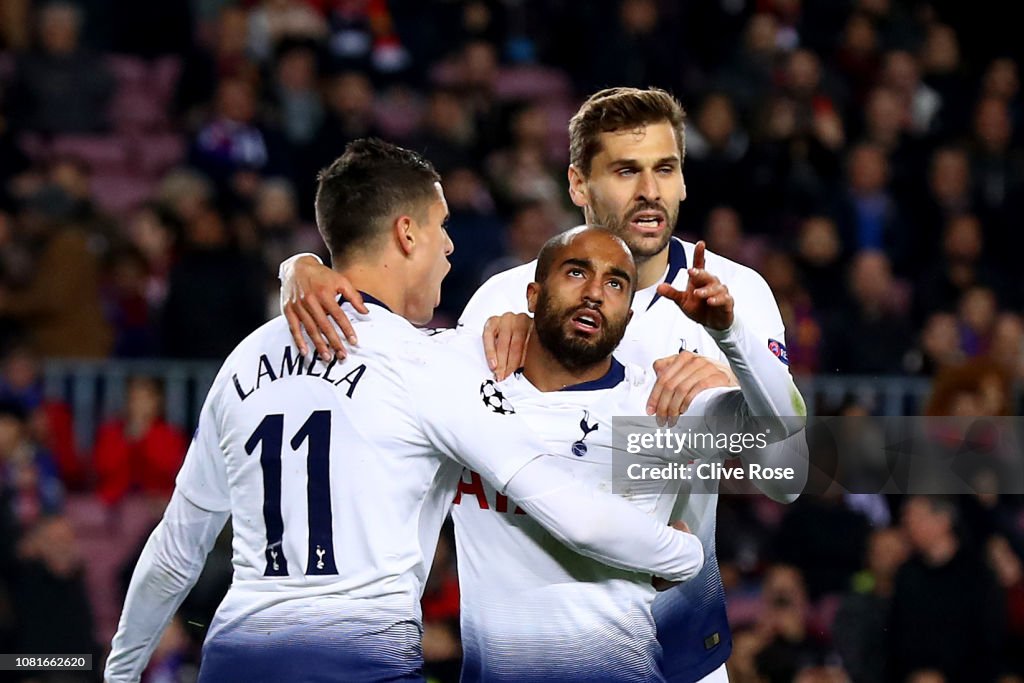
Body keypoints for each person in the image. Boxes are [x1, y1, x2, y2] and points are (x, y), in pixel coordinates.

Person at [103, 139, 706, 683]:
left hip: (233, 659)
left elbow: (174, 553)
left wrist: (121, 673)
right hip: (359, 663)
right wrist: (685, 554)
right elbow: (578, 518)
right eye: (442, 226)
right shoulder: (432, 367)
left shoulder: (244, 359)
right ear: (407, 233)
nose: (450, 246)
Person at [281, 87, 806, 682]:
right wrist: (304, 267)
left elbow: (786, 472)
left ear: (685, 181)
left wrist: (735, 374)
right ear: (579, 185)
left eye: (665, 169)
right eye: (625, 171)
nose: (650, 192)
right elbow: (394, 373)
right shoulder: (502, 303)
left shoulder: (734, 295)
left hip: (681, 648)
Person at [449, 225, 804, 682]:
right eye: (577, 273)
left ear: (629, 315)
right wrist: (320, 268)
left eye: (616, 283)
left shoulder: (658, 413)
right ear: (532, 296)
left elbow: (790, 471)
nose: (595, 293)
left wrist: (731, 337)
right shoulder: (464, 397)